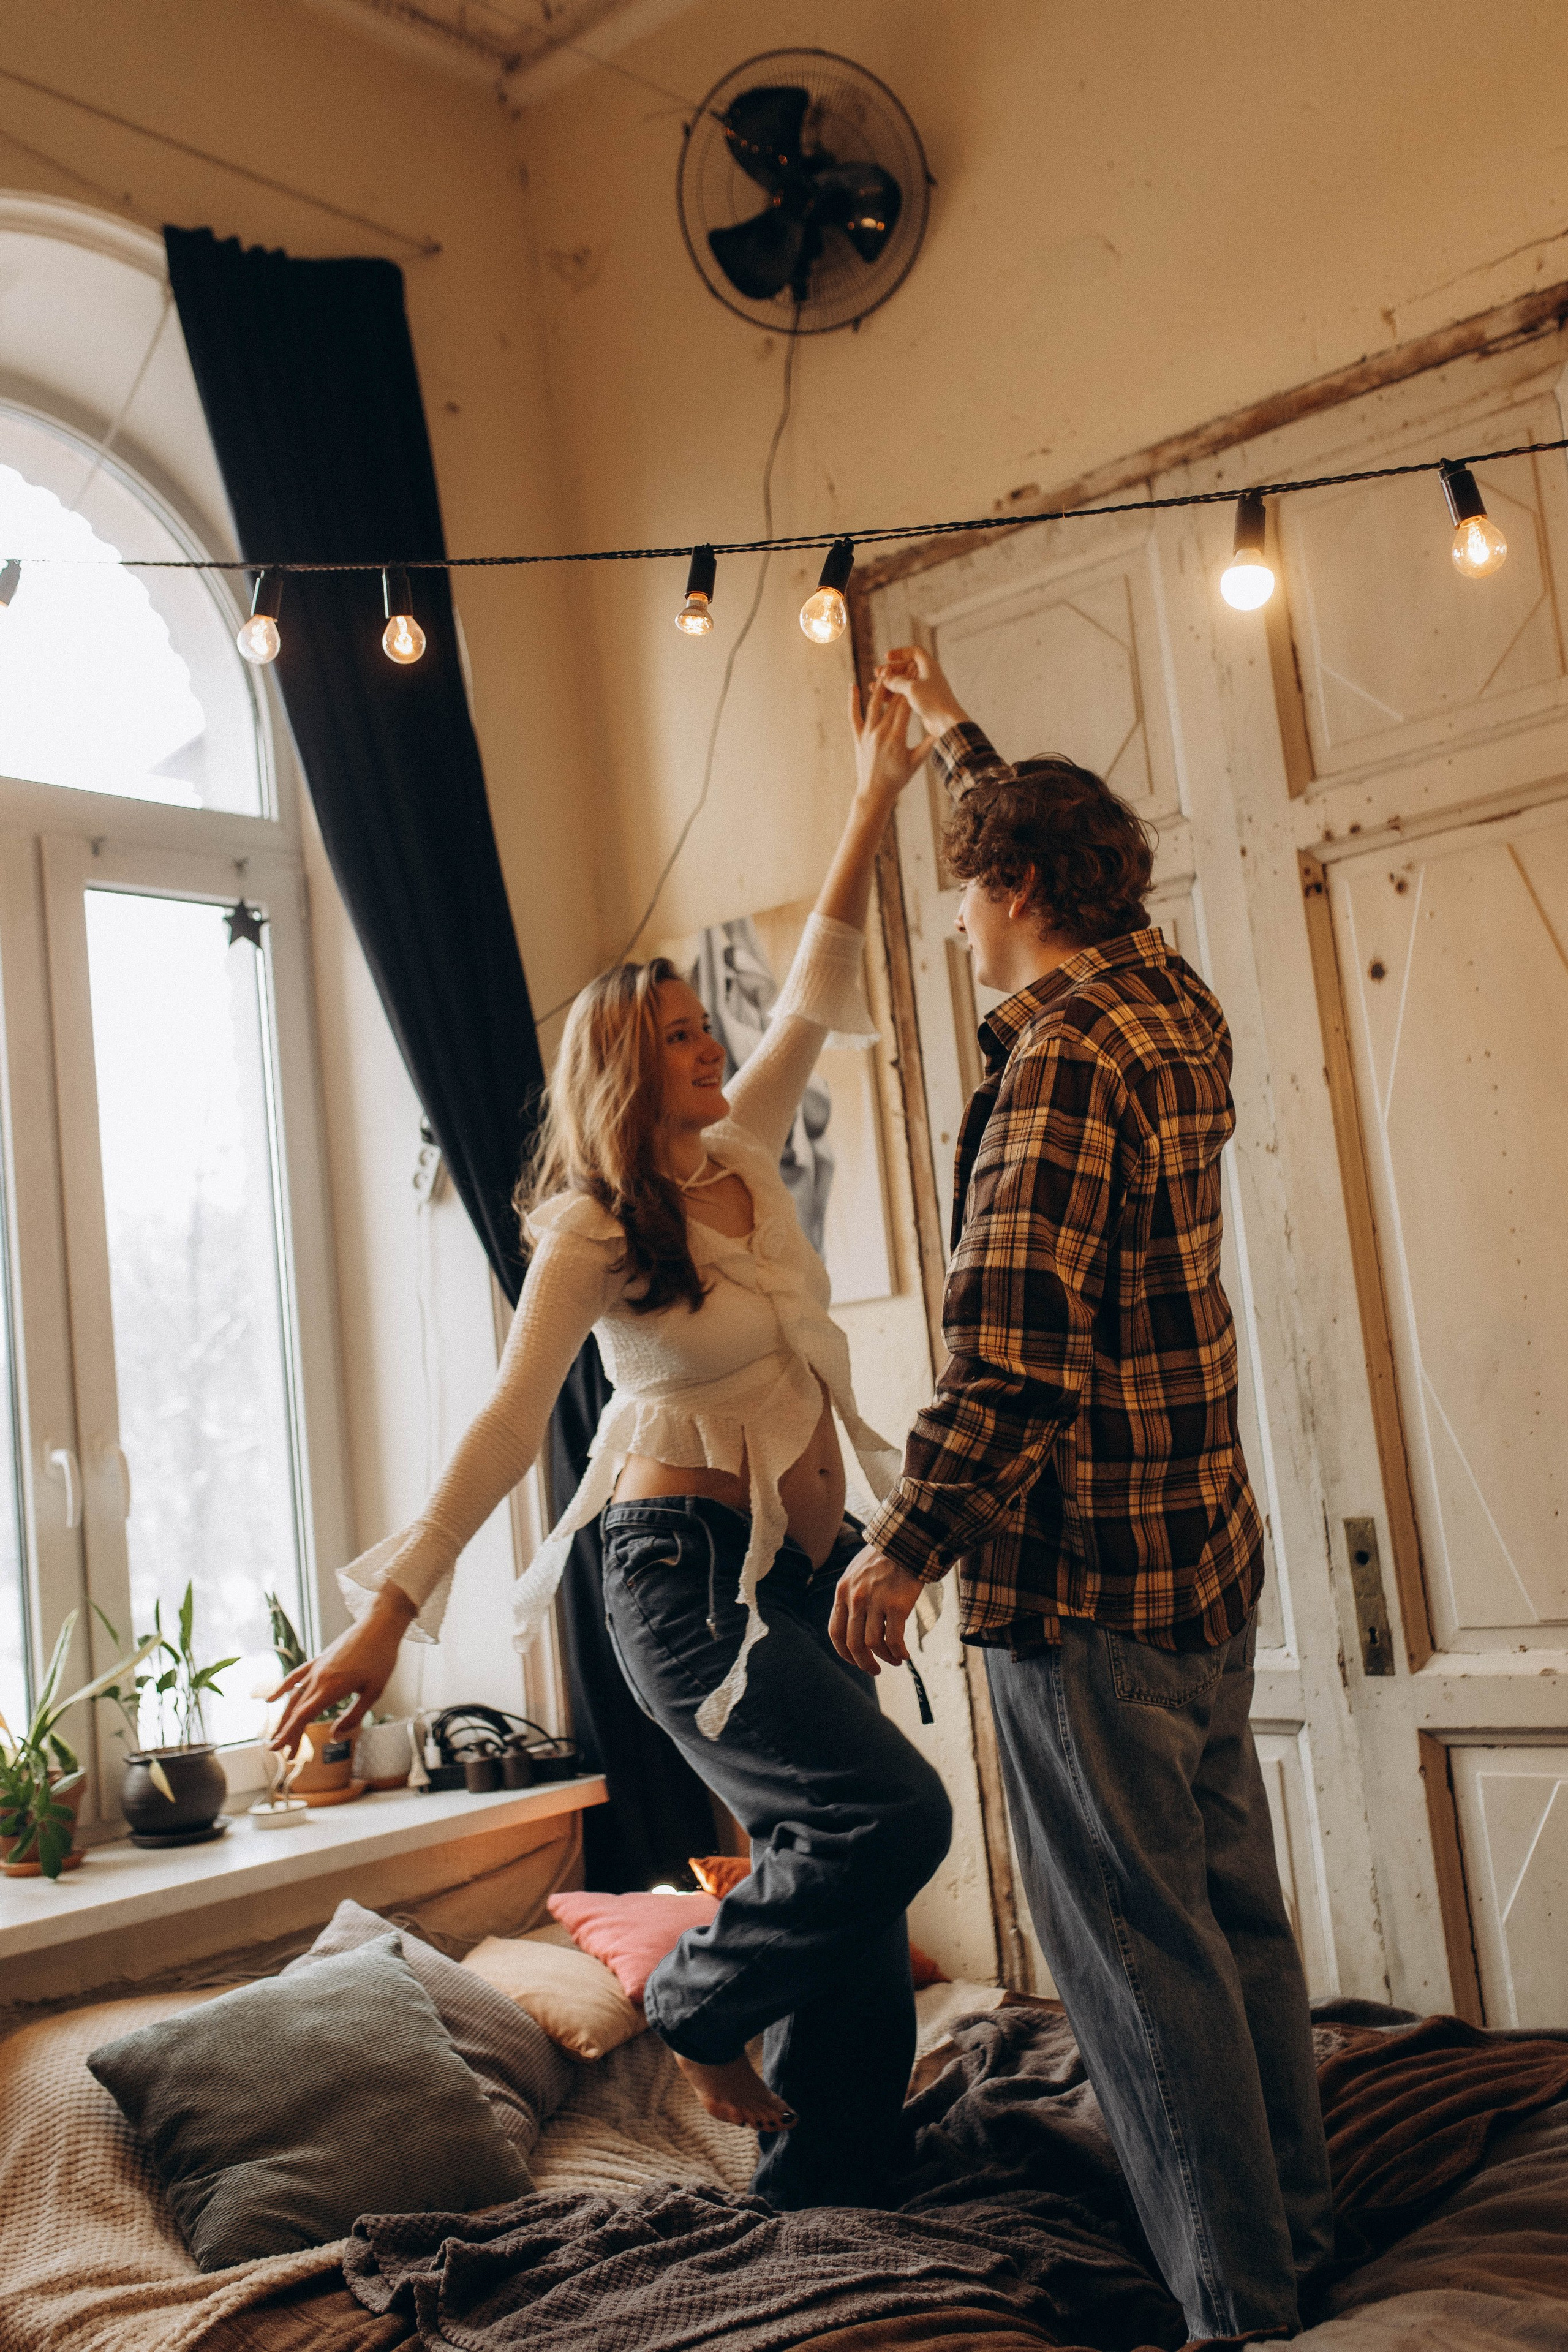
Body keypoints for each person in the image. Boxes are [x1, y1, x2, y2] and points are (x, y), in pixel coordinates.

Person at [270, 676, 952, 2212]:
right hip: (684, 1584)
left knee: (839, 1871)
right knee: (893, 1815)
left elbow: (813, 988)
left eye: (706, 1027)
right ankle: (695, 2000)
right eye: (679, 1037)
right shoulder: (590, 1223)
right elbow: (510, 1420)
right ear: (625, 1068)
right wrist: (388, 1615)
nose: (710, 1047)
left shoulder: (744, 1152)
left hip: (804, 1573)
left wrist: (869, 798)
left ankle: (839, 2180)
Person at [831, 646, 1332, 2343]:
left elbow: (1014, 1361)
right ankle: (1296, 2240)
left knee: (1135, 1960)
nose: (961, 920)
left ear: (1021, 890)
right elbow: (1036, 840)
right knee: (1233, 1922)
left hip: (1087, 1591)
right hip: (1205, 1562)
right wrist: (950, 726)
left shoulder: (1056, 1067)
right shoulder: (1171, 1003)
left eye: (971, 887)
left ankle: (1236, 2309)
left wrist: (903, 1548)